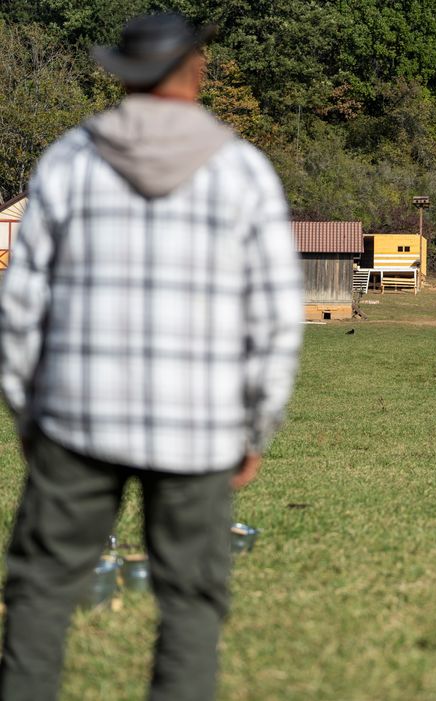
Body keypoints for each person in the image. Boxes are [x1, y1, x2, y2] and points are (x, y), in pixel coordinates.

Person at [0, 13, 303, 701]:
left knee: (42, 595)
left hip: (75, 420)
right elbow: (277, 320)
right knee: (191, 604)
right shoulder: (243, 171)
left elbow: (20, 306)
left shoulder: (69, 160)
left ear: (122, 74)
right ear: (196, 71)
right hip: (199, 427)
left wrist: (26, 408)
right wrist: (257, 428)